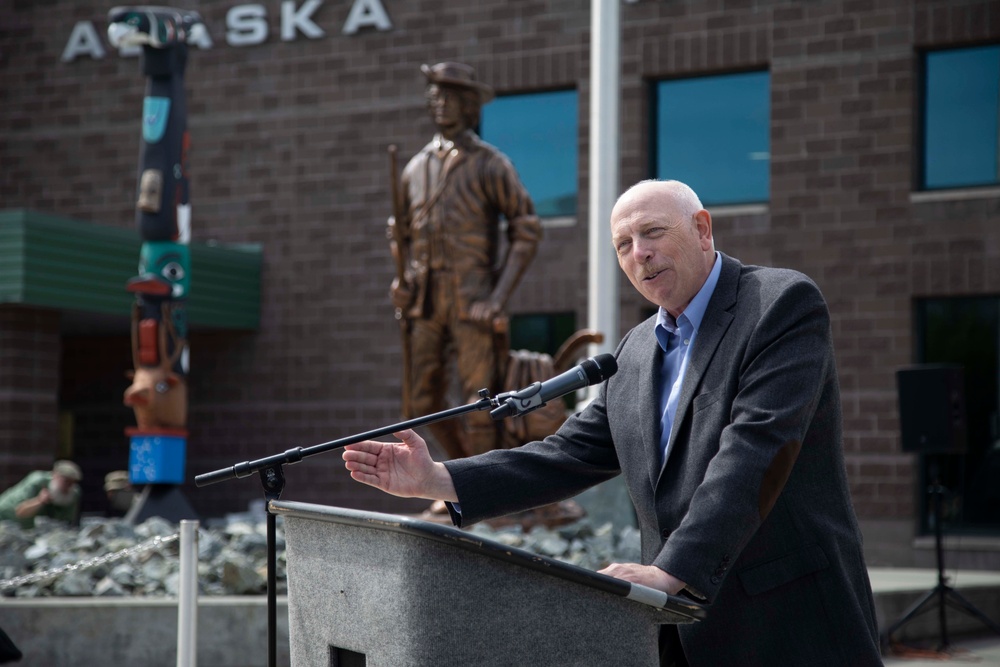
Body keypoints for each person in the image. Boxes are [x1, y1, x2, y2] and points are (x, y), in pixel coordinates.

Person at [344, 179, 883, 666]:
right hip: (681, 633)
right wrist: (438, 478)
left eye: (652, 233)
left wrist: (670, 572)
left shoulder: (779, 304)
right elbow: (566, 454)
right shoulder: (637, 349)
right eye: (623, 245)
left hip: (789, 620)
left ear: (701, 229)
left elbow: (755, 452)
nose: (639, 254)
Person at [388, 62, 542, 459]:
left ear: (470, 105)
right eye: (435, 95)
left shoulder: (490, 163)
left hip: (472, 295)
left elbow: (526, 229)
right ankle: (459, 477)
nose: (440, 103)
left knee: (481, 402)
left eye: (451, 96)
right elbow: (400, 236)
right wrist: (401, 282)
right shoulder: (414, 169)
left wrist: (497, 297)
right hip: (425, 300)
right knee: (419, 405)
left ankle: (485, 492)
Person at [0, 460, 83, 529]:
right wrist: (40, 500)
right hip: (6, 518)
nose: (68, 486)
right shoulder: (37, 481)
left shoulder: (73, 493)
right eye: (66, 481)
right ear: (55, 475)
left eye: (72, 483)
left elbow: (67, 521)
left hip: (30, 530)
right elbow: (20, 511)